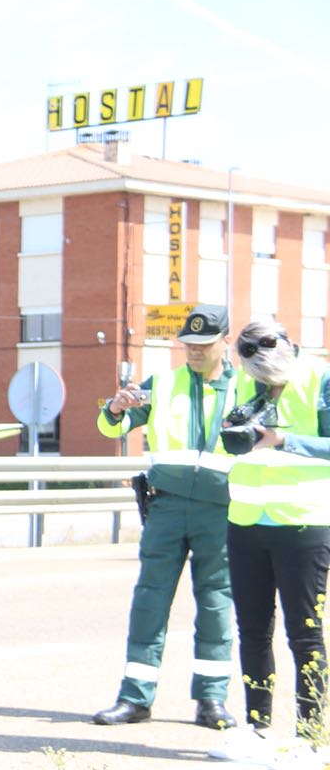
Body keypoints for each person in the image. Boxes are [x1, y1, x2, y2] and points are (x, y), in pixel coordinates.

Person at [93, 305, 247, 728]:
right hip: (166, 506)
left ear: (225, 343)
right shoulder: (162, 382)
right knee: (150, 600)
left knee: (216, 604)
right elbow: (111, 427)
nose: (193, 352)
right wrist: (116, 409)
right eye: (188, 345)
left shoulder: (246, 388)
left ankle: (211, 701)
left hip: (221, 510)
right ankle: (135, 698)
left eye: (203, 345)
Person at [209, 319, 330, 759]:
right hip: (245, 520)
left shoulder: (320, 378)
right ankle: (258, 727)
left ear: (284, 351)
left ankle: (311, 735)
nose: (258, 378)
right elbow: (230, 445)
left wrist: (283, 441)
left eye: (264, 370)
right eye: (251, 370)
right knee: (253, 629)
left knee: (305, 633)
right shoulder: (245, 384)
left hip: (303, 522)